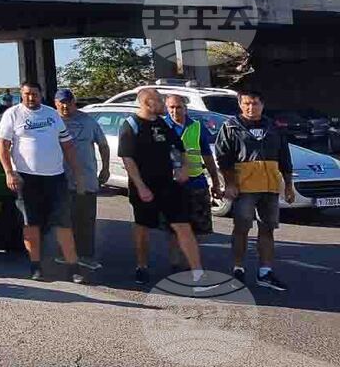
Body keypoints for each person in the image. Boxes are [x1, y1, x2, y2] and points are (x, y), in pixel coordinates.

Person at [0, 80, 88, 284]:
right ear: (22, 95)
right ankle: (36, 266)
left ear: (41, 94)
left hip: (55, 177)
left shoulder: (52, 114)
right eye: (27, 94)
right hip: (26, 178)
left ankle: (74, 267)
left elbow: (68, 146)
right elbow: (3, 145)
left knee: (64, 223)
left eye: (35, 94)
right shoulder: (12, 114)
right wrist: (9, 173)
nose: (31, 98)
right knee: (32, 224)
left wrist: (78, 173)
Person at [118, 88, 206, 285]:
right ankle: (142, 266)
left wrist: (182, 167)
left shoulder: (162, 124)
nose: (163, 104)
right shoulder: (131, 125)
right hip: (144, 186)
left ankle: (197, 271)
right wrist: (140, 186)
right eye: (159, 100)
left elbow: (178, 148)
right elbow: (128, 159)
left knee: (182, 225)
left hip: (169, 185)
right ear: (148, 103)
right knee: (143, 227)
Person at [214, 89, 294, 291]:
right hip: (244, 188)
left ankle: (265, 272)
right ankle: (238, 268)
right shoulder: (231, 126)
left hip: (270, 187)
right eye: (247, 103)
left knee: (267, 229)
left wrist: (289, 185)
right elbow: (223, 158)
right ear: (240, 104)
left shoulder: (274, 127)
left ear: (263, 105)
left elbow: (284, 157)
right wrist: (230, 183)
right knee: (242, 229)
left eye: (255, 103)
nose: (251, 107)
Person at [163, 94, 222, 272]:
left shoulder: (196, 126)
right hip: (172, 185)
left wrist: (216, 181)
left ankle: (191, 262)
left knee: (198, 228)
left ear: (185, 108)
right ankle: (175, 264)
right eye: (171, 107)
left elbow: (207, 155)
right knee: (174, 228)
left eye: (178, 107)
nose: (175, 111)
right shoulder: (162, 126)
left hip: (196, 183)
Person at [54, 88, 110, 270]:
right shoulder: (51, 122)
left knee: (85, 218)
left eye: (68, 102)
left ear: (74, 102)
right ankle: (65, 254)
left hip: (86, 178)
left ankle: (86, 256)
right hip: (60, 178)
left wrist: (106, 168)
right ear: (56, 104)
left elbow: (103, 145)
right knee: (64, 218)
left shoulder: (88, 121)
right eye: (61, 103)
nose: (65, 106)